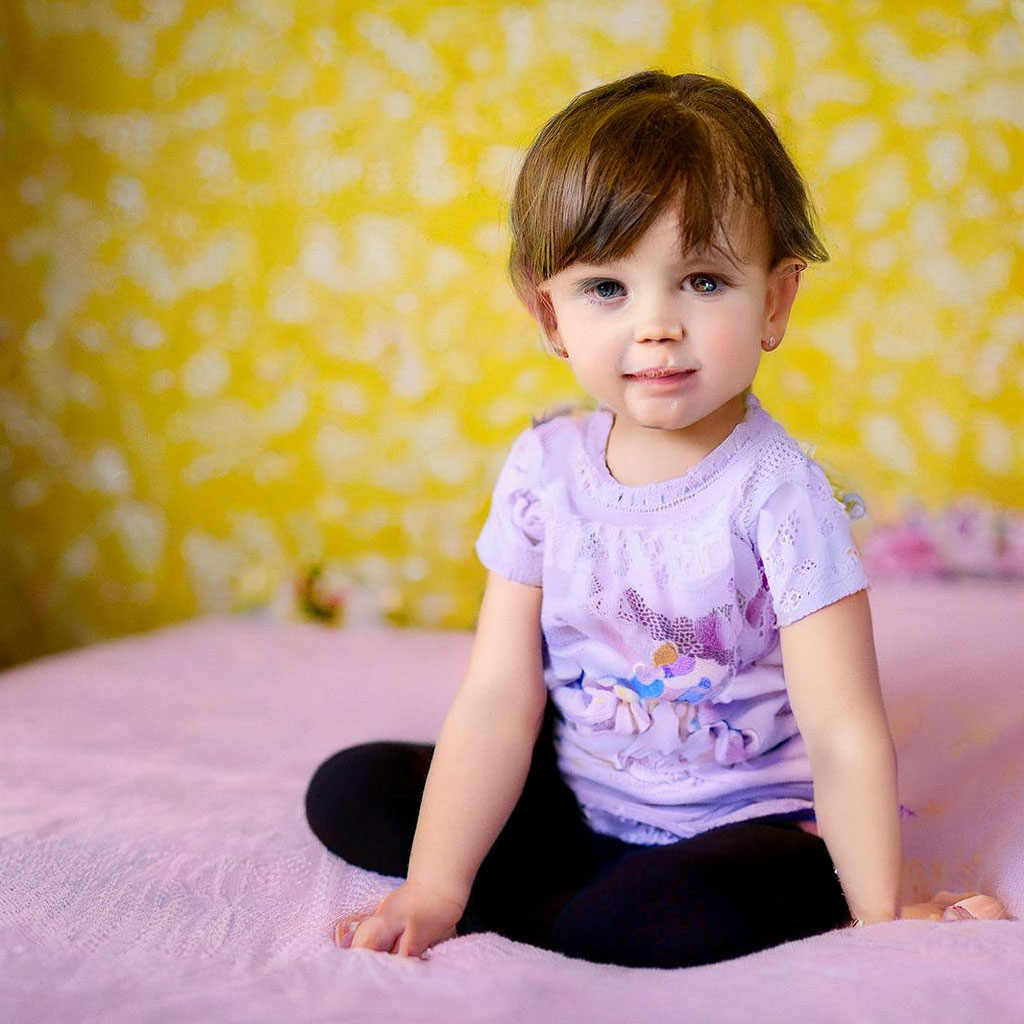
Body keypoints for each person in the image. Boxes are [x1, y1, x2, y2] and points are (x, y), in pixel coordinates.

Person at [305, 70, 1003, 969]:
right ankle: (545, 890)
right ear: (548, 311)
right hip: (582, 794)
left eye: (703, 281)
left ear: (775, 300)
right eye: (607, 288)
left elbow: (843, 730)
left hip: (744, 825)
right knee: (352, 790)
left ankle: (620, 905)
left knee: (637, 924)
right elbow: (497, 700)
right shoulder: (543, 471)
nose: (657, 325)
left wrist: (882, 913)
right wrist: (436, 888)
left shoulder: (781, 496)